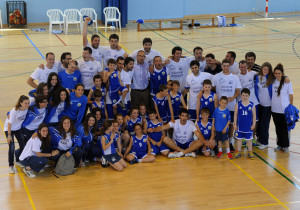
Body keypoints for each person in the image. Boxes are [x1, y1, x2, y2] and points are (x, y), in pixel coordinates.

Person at [212, 59, 242, 152]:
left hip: (231, 105)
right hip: (220, 106)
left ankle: (230, 143)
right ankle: (218, 144)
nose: (225, 67)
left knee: (231, 125)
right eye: (224, 65)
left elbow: (238, 90)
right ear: (221, 66)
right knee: (218, 124)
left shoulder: (235, 77)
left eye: (227, 66)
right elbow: (213, 88)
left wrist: (233, 97)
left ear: (229, 66)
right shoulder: (216, 76)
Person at [4, 95, 30, 174]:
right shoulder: (15, 111)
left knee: (23, 145)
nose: (27, 105)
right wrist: (9, 135)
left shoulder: (26, 109)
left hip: (18, 129)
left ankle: (18, 160)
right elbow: (9, 123)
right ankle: (11, 166)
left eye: (28, 103)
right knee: (12, 147)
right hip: (9, 129)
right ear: (21, 103)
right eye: (25, 103)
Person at [271, 63, 293, 152]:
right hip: (275, 109)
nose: (277, 75)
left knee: (285, 129)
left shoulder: (287, 82)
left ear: (282, 74)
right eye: (275, 73)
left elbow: (291, 95)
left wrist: (290, 107)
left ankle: (286, 145)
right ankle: (279, 144)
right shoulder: (272, 81)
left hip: (284, 110)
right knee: (278, 128)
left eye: (279, 73)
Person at [237, 60, 259, 145]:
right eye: (241, 67)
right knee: (242, 120)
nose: (243, 68)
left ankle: (252, 138)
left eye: (244, 67)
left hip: (254, 102)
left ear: (247, 67)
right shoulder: (237, 77)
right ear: (239, 67)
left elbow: (264, 74)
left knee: (254, 121)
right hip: (242, 102)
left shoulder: (253, 73)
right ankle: (242, 139)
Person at [254, 62, 274, 149]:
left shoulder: (271, 78)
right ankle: (260, 139)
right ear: (262, 68)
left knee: (265, 124)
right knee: (260, 123)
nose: (266, 71)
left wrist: (286, 78)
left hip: (268, 105)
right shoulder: (257, 77)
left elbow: (282, 77)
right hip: (260, 104)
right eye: (264, 69)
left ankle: (265, 142)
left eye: (268, 69)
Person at [233, 88, 256, 159]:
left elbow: (254, 115)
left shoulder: (252, 105)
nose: (245, 97)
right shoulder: (238, 104)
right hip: (239, 126)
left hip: (248, 126)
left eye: (246, 95)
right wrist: (234, 123)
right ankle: (238, 151)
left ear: (249, 96)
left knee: (249, 140)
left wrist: (254, 124)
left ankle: (250, 151)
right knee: (239, 139)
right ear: (241, 95)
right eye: (243, 95)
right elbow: (235, 114)